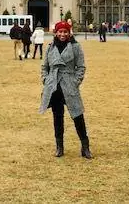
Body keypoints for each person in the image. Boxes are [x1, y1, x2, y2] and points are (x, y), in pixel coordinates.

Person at [39, 21, 92, 159]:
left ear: (69, 33)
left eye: (65, 32)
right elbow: (45, 67)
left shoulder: (75, 47)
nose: (62, 34)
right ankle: (59, 146)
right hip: (54, 86)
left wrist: (76, 81)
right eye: (60, 32)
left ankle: (85, 147)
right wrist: (46, 80)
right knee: (57, 118)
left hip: (69, 85)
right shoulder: (50, 48)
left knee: (78, 116)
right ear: (56, 33)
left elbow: (81, 67)